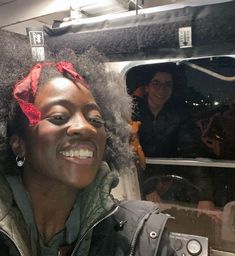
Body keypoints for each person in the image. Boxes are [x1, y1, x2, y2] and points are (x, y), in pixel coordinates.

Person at [0, 31, 176, 256]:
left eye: (95, 119)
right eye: (59, 117)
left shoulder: (143, 236)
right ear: (18, 144)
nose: (85, 128)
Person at [131, 64, 216, 212]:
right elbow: (128, 152)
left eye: (167, 84)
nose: (162, 89)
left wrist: (204, 196)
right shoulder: (132, 112)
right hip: (138, 180)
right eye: (156, 83)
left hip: (169, 180)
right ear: (147, 87)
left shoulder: (179, 115)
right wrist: (149, 187)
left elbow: (192, 151)